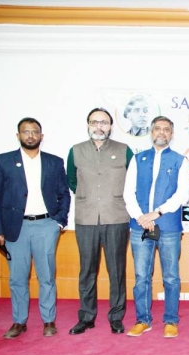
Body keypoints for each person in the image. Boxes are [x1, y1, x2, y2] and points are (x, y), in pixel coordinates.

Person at [0, 117, 70, 339]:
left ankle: (49, 321)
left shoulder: (54, 162)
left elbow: (64, 194)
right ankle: (19, 321)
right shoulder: (4, 161)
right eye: (26, 132)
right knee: (17, 278)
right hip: (16, 228)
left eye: (35, 132)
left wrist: (59, 222)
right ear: (18, 135)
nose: (31, 136)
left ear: (41, 136)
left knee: (46, 277)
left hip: (46, 225)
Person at [67, 107, 134, 335]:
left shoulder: (124, 150)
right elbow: (72, 181)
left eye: (104, 122)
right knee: (87, 270)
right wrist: (90, 198)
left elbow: (131, 182)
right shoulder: (76, 151)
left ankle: (116, 317)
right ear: (88, 125)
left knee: (116, 271)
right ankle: (86, 317)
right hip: (86, 218)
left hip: (115, 217)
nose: (99, 126)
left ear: (110, 126)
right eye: (95, 122)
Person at [124, 116, 189, 338]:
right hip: (139, 226)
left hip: (169, 226)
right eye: (157, 129)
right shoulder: (137, 159)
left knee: (171, 276)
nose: (161, 132)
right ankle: (143, 320)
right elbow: (128, 193)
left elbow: (182, 195)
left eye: (166, 129)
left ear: (172, 134)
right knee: (142, 276)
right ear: (151, 132)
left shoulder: (180, 161)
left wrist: (157, 212)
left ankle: (171, 320)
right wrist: (140, 217)